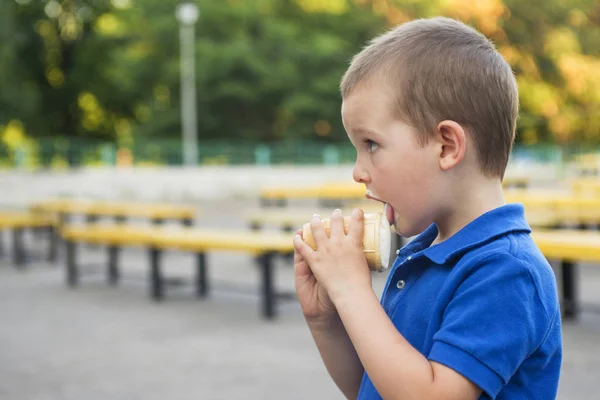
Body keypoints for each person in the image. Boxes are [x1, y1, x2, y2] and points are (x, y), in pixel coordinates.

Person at [292, 17, 562, 400]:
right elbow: (376, 387)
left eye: (371, 144)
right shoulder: (424, 253)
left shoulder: (506, 272)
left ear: (447, 146)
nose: (357, 172)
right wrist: (325, 321)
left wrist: (353, 291)